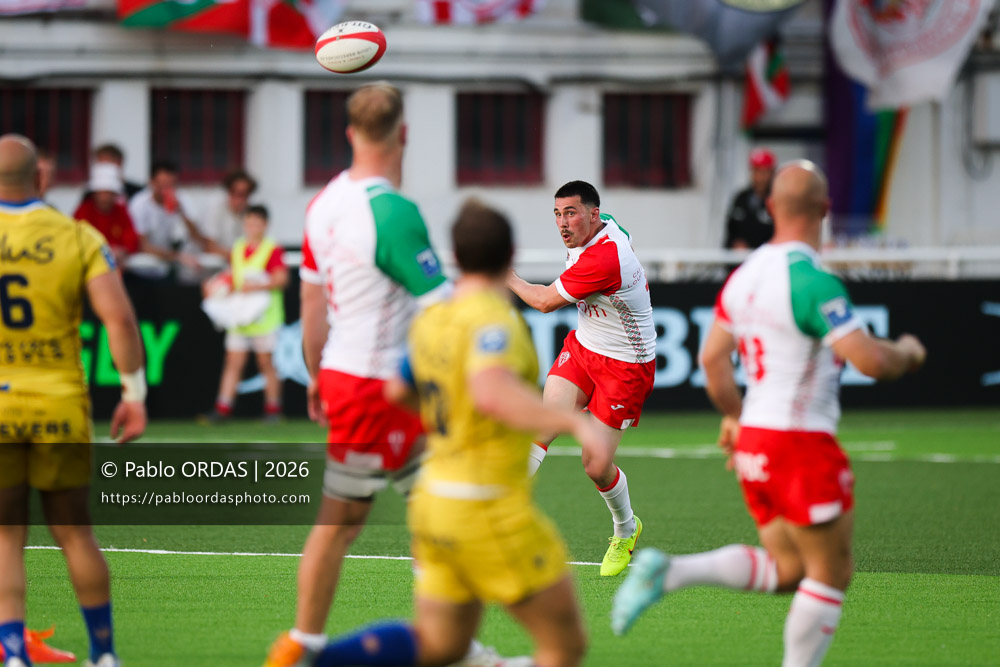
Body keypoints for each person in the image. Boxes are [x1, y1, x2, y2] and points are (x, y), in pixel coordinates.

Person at [611, 161, 927, 667]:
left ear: (772, 208)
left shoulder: (743, 277)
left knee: (787, 570)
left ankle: (671, 573)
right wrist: (909, 351)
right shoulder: (812, 279)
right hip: (798, 441)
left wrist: (736, 417)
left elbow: (712, 359)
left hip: (757, 440)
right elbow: (870, 358)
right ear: (825, 211)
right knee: (830, 572)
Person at [265, 83, 506, 667]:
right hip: (386, 389)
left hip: (347, 377)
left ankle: (310, 641)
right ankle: (441, 646)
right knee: (408, 513)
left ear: (350, 134)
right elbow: (442, 306)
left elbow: (312, 300)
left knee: (369, 517)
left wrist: (316, 374)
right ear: (403, 134)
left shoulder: (322, 205)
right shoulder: (393, 213)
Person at [304, 200, 596, 667]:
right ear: (510, 254)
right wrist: (575, 420)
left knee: (443, 646)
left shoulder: (431, 320)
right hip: (486, 506)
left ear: (455, 258)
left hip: (434, 505)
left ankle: (314, 659)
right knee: (564, 647)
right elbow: (490, 390)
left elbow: (399, 390)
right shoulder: (492, 319)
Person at [0, 134, 147, 667]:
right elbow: (120, 320)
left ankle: (13, 655)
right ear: (41, 180)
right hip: (58, 406)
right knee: (75, 535)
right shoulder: (76, 235)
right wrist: (133, 393)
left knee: (5, 537)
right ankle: (104, 655)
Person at [506, 180, 657, 577]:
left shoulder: (604, 259)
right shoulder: (605, 224)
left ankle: (626, 528)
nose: (563, 223)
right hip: (586, 346)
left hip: (626, 365)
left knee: (594, 465)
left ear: (593, 213)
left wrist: (504, 275)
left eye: (570, 213)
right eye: (557, 213)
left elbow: (541, 302)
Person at [206, 204, 288, 422]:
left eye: (257, 223)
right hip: (240, 316)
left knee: (266, 363)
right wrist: (217, 288)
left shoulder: (272, 249)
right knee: (233, 362)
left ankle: (273, 409)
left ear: (265, 225)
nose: (252, 227)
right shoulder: (238, 247)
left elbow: (282, 279)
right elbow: (234, 278)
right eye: (249, 222)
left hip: (265, 319)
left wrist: (257, 287)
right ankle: (223, 407)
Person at [127, 160, 213, 280]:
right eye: (162, 185)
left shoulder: (181, 199)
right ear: (151, 183)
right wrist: (177, 257)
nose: (166, 189)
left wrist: (182, 213)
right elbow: (142, 245)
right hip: (141, 270)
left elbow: (198, 238)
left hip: (168, 269)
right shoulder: (139, 204)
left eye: (171, 185)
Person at [73, 163, 140, 265]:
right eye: (101, 193)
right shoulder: (83, 211)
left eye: (108, 193)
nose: (104, 198)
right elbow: (76, 240)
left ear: (115, 194)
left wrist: (123, 251)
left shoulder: (121, 211)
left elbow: (132, 240)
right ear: (94, 193)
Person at [724, 148, 776, 250]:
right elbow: (730, 231)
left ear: (772, 172)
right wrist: (735, 244)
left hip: (768, 260)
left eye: (764, 171)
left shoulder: (777, 200)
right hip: (742, 261)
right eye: (756, 170)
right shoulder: (741, 199)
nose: (760, 177)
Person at [197, 169, 257, 256]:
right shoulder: (215, 209)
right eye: (238, 194)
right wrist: (238, 256)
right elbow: (209, 247)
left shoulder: (251, 213)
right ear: (229, 192)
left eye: (245, 194)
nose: (241, 199)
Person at [77, 144, 144, 204]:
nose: (101, 169)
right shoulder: (90, 194)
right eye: (98, 164)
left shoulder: (139, 193)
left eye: (105, 164)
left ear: (119, 163)